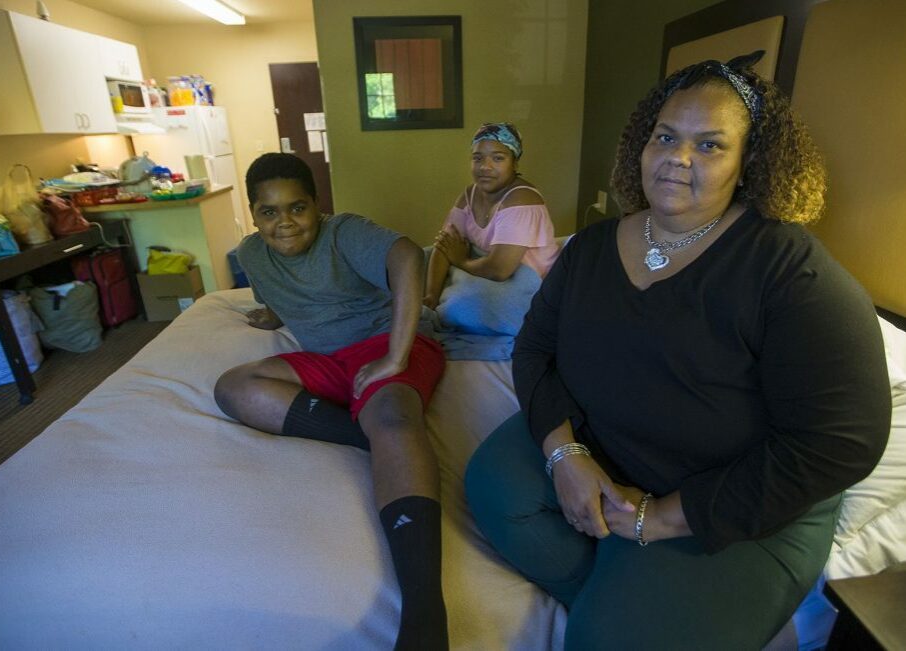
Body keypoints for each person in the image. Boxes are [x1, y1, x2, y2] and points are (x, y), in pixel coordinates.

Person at [464, 51, 891, 649]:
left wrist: (659, 519)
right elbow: (534, 347)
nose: (676, 157)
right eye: (665, 135)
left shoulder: (789, 271)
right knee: (492, 489)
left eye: (710, 145)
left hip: (726, 498)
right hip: (602, 447)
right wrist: (565, 455)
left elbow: (843, 439)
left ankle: (627, 597)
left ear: (747, 164)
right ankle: (622, 586)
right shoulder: (589, 248)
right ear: (642, 143)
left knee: (605, 638)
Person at [214, 153, 448, 650]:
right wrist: (270, 316)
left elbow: (409, 256)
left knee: (394, 421)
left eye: (297, 208)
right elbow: (278, 292)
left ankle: (427, 615)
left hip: (385, 345)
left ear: (317, 206)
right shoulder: (252, 254)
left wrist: (394, 356)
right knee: (233, 387)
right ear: (254, 214)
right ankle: (372, 441)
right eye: (270, 212)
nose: (285, 224)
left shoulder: (344, 233)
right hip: (330, 362)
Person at [423, 122, 561, 310]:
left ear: (515, 163)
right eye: (477, 158)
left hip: (525, 285)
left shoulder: (522, 199)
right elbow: (444, 247)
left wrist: (461, 261)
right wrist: (431, 297)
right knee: (422, 257)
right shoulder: (469, 194)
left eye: (498, 158)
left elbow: (499, 270)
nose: (485, 167)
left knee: (463, 303)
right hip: (483, 272)